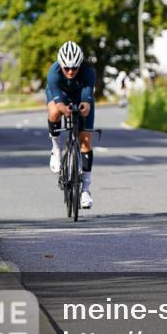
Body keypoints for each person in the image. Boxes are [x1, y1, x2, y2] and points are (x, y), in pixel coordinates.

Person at [46, 41, 97, 209]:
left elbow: (88, 98)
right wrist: (63, 108)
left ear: (80, 64)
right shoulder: (53, 73)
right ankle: (56, 148)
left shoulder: (88, 72)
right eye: (66, 68)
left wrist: (84, 107)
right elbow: (59, 103)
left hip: (80, 95)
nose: (70, 71)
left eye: (74, 68)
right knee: (54, 112)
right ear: (60, 64)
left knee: (86, 142)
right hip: (60, 95)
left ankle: (86, 190)